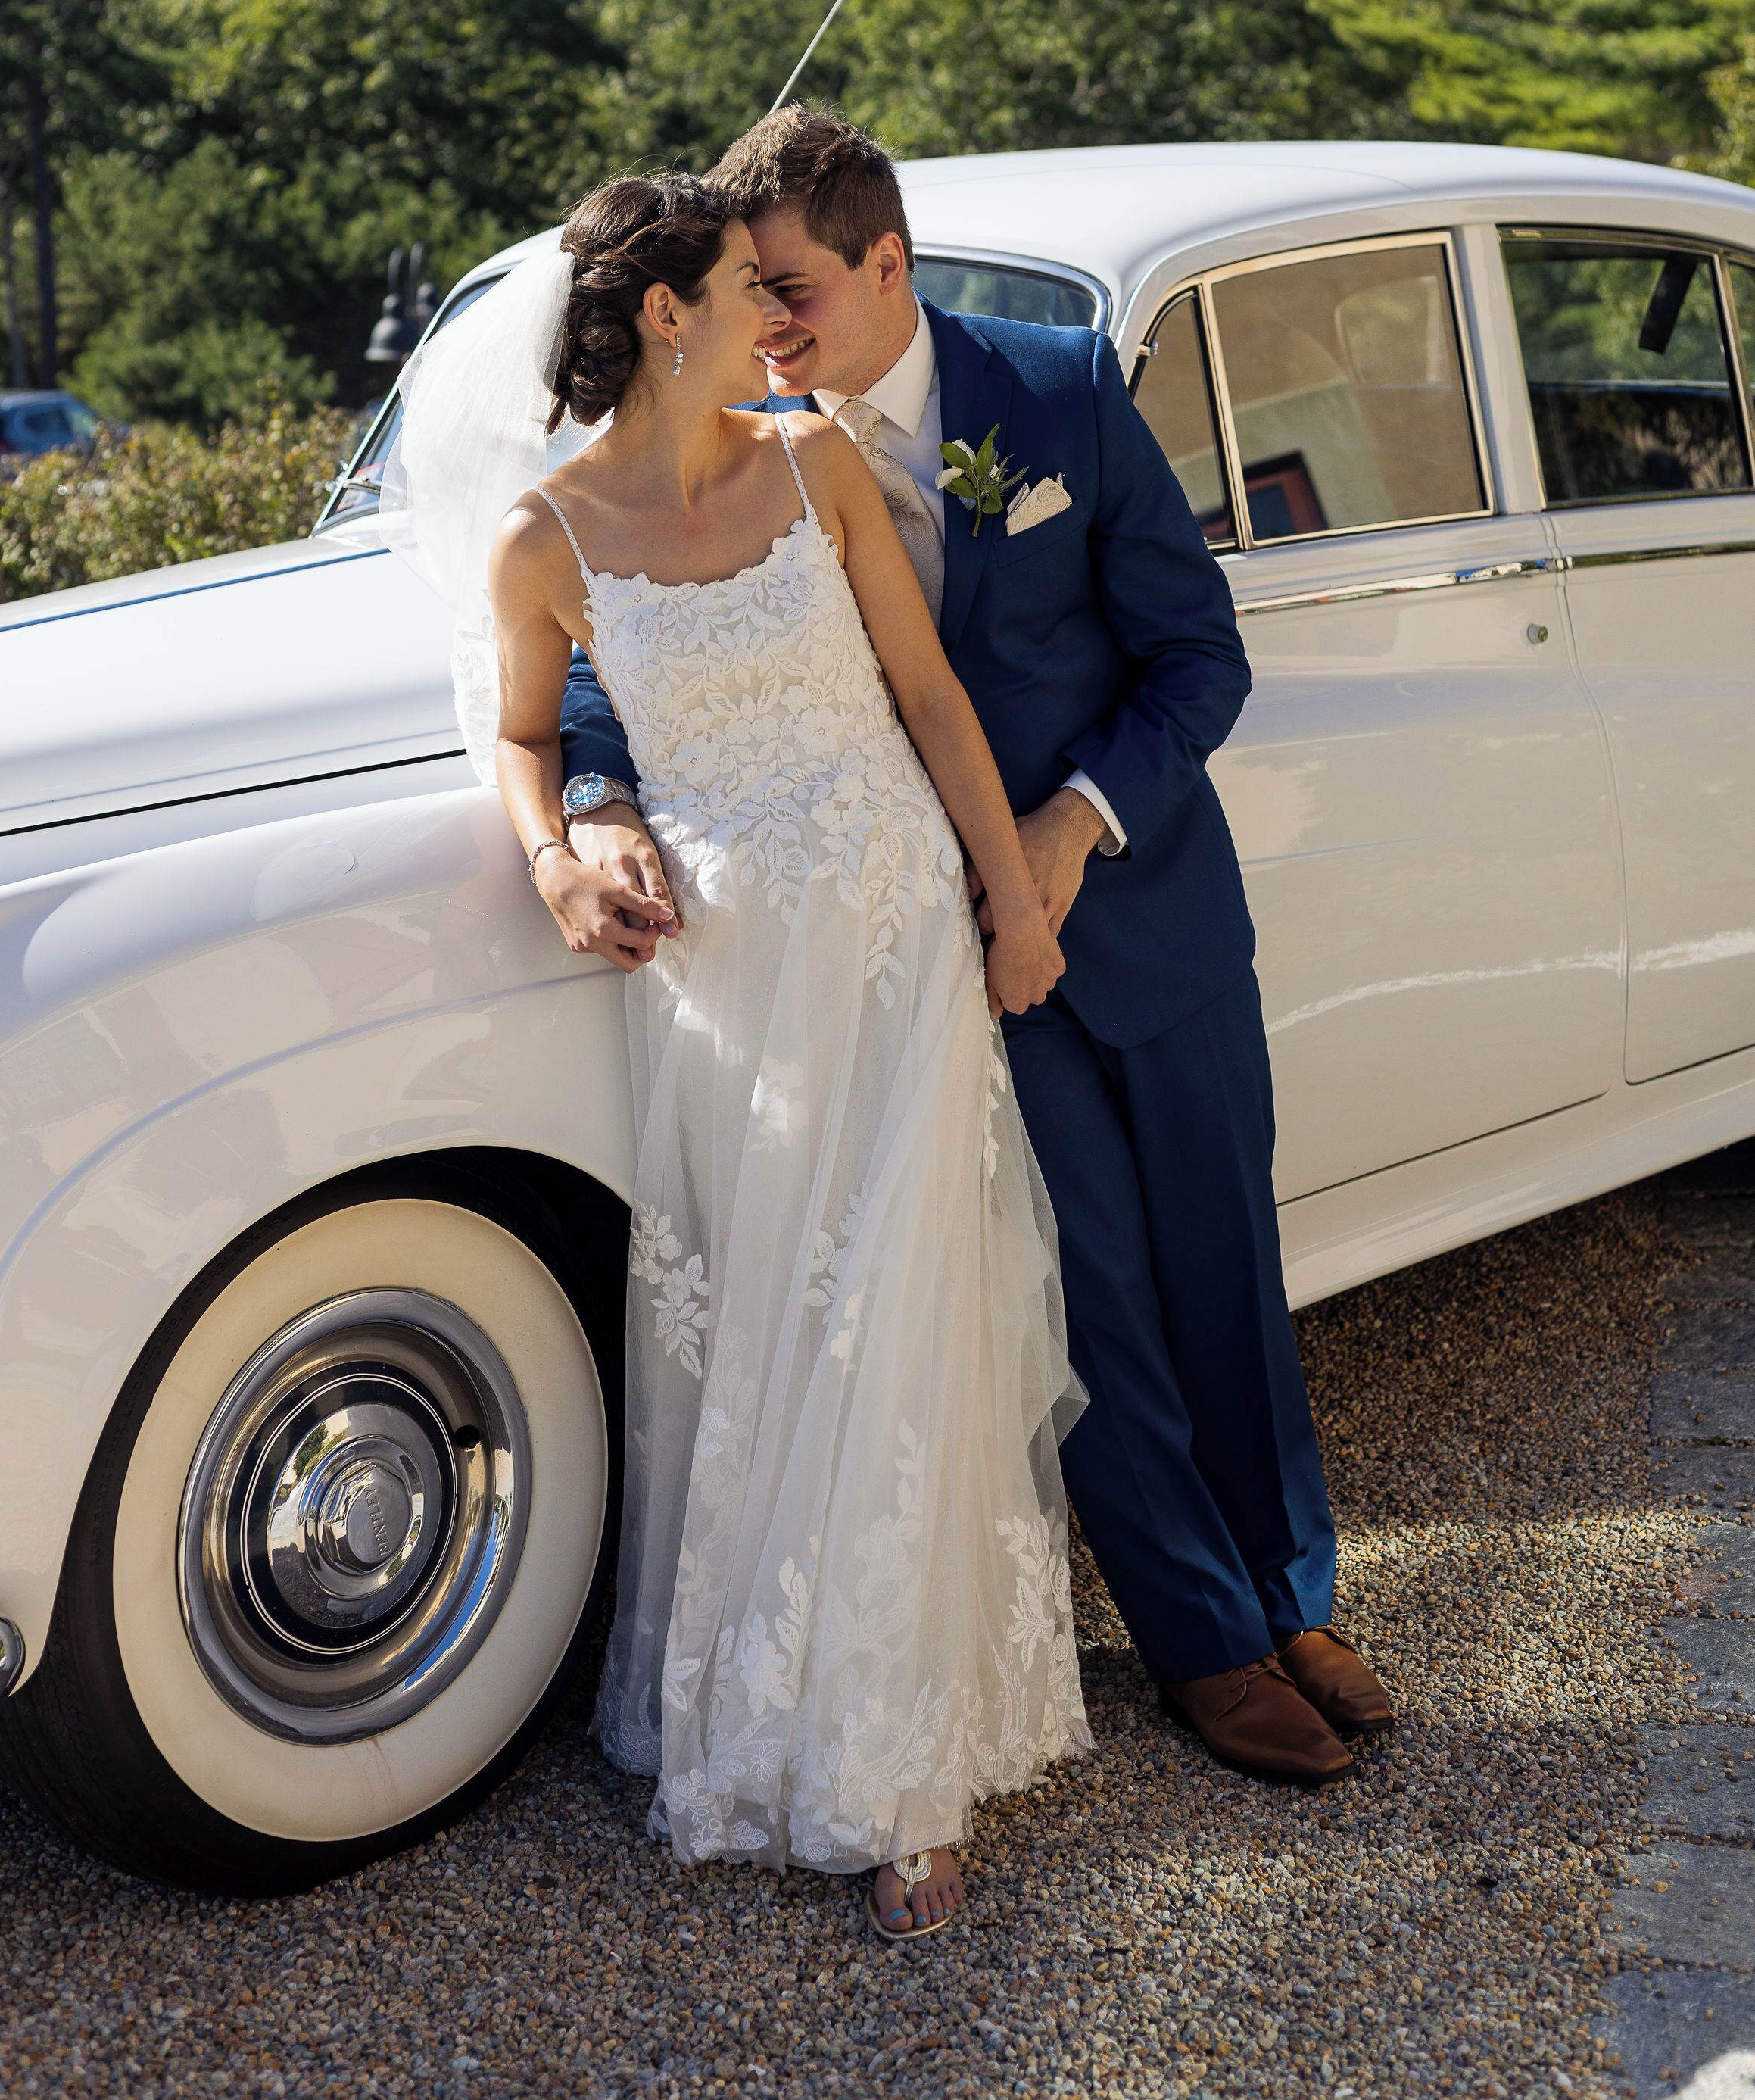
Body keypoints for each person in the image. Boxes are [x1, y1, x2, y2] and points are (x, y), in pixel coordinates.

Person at [560, 111, 1395, 1786]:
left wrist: (1069, 830)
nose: (768, 320)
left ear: (887, 265)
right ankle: (1205, 1648)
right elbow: (620, 645)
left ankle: (1293, 1596)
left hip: (1139, 905)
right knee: (1088, 1293)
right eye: (744, 290)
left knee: (1225, 1258)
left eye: (790, 285)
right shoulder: (740, 432)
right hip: (924, 945)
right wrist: (590, 802)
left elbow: (1196, 656)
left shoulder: (1063, 386)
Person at [390, 171, 1089, 1936]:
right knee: (777, 1335)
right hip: (728, 987)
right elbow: (528, 734)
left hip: (896, 937)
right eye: (739, 285)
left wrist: (1014, 906)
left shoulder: (811, 461)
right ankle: (763, 1700)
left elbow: (930, 698)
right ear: (663, 318)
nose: (779, 315)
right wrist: (558, 855)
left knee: (899, 1331)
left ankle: (900, 1769)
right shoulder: (543, 541)